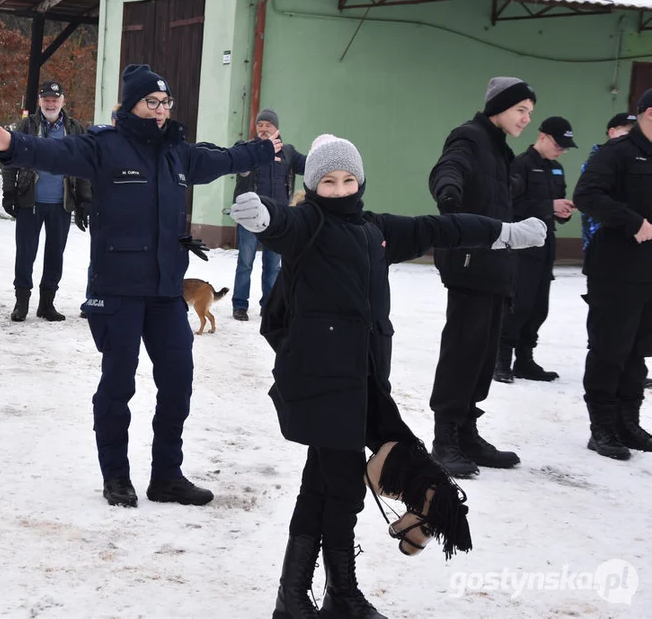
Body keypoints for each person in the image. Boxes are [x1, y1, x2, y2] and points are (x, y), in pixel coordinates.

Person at [230, 135, 545, 619]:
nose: (339, 189)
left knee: (322, 486)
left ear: (360, 181)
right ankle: (337, 594)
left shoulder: (375, 230)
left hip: (365, 381)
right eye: (328, 182)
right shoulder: (308, 224)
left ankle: (300, 598)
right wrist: (262, 216)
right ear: (314, 185)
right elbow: (282, 223)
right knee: (342, 489)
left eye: (347, 179)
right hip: (321, 381)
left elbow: (444, 227)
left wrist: (503, 233)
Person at [0, 64, 279, 507]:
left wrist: (258, 150)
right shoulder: (105, 146)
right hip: (117, 290)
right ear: (130, 105)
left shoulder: (178, 153)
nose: (161, 111)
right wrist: (11, 145)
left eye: (166, 104)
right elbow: (53, 155)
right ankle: (116, 477)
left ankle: (167, 476)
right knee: (118, 386)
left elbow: (223, 160)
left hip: (164, 293)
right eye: (152, 103)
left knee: (178, 382)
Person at [427, 76, 536, 479]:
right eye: (520, 110)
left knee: (485, 352)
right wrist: (449, 195)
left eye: (529, 112)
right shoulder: (470, 137)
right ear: (499, 107)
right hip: (470, 262)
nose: (525, 118)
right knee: (464, 350)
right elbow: (447, 169)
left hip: (496, 265)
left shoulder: (500, 149)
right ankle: (445, 439)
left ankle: (467, 431)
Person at [573, 89, 652, 461]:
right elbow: (587, 195)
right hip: (615, 270)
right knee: (610, 348)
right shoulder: (616, 152)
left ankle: (627, 421)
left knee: (638, 350)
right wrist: (631, 221)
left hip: (648, 271)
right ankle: (602, 427)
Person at [2, 80, 92, 322]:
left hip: (61, 204)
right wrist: (8, 192)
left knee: (55, 255)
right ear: (39, 101)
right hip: (29, 201)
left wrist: (84, 201)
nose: (50, 103)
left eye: (55, 99)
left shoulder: (74, 128)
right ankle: (21, 303)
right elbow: (10, 159)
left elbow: (84, 166)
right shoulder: (27, 125)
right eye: (46, 99)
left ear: (63, 101)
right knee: (25, 253)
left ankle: (47, 304)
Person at [495, 117, 576, 384]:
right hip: (522, 246)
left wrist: (562, 211)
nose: (561, 151)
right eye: (558, 144)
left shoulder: (557, 169)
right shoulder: (520, 165)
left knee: (539, 306)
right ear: (542, 136)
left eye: (565, 147)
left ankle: (525, 360)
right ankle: (501, 360)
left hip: (546, 244)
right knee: (519, 303)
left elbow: (553, 207)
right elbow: (512, 206)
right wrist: (548, 206)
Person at [231, 108, 306, 321]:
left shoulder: (288, 152)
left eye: (268, 125)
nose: (264, 129)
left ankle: (269, 306)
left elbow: (309, 165)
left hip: (279, 219)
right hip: (249, 217)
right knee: (245, 263)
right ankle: (239, 305)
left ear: (276, 128)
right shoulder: (246, 149)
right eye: (260, 125)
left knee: (273, 265)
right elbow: (235, 163)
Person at [581, 112, 637, 254]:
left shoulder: (631, 161)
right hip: (602, 239)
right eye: (628, 131)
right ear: (612, 132)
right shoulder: (598, 161)